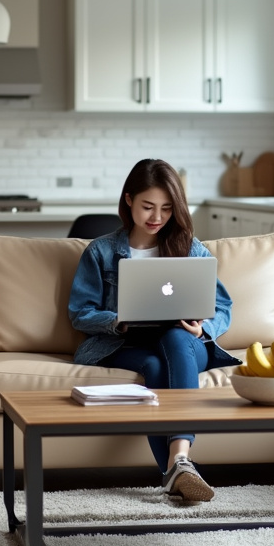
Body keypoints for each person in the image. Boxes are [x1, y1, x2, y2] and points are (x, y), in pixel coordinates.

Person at [68, 158, 239, 501]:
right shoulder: (101, 252)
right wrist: (117, 320)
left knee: (174, 336)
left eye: (166, 208)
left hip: (186, 344)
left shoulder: (190, 247)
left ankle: (176, 466)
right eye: (148, 206)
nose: (157, 217)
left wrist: (202, 325)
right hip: (129, 343)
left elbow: (223, 307)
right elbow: (80, 313)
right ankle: (179, 466)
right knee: (155, 366)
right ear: (128, 199)